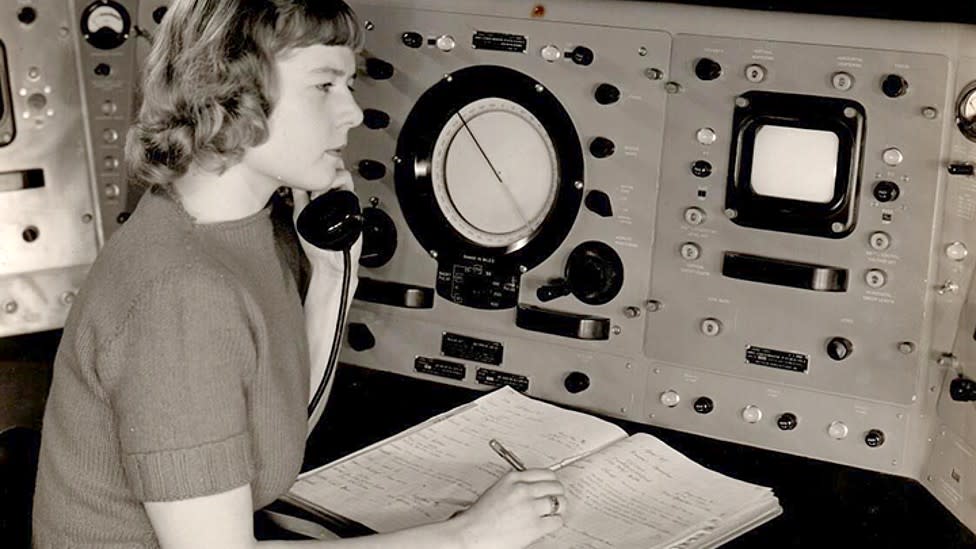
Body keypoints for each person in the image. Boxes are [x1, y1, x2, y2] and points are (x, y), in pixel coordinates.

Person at [31, 1, 566, 547]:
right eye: (324, 86)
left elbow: (274, 437)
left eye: (350, 85)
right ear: (231, 92)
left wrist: (334, 277)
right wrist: (469, 537)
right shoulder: (181, 297)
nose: (353, 113)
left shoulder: (239, 230)